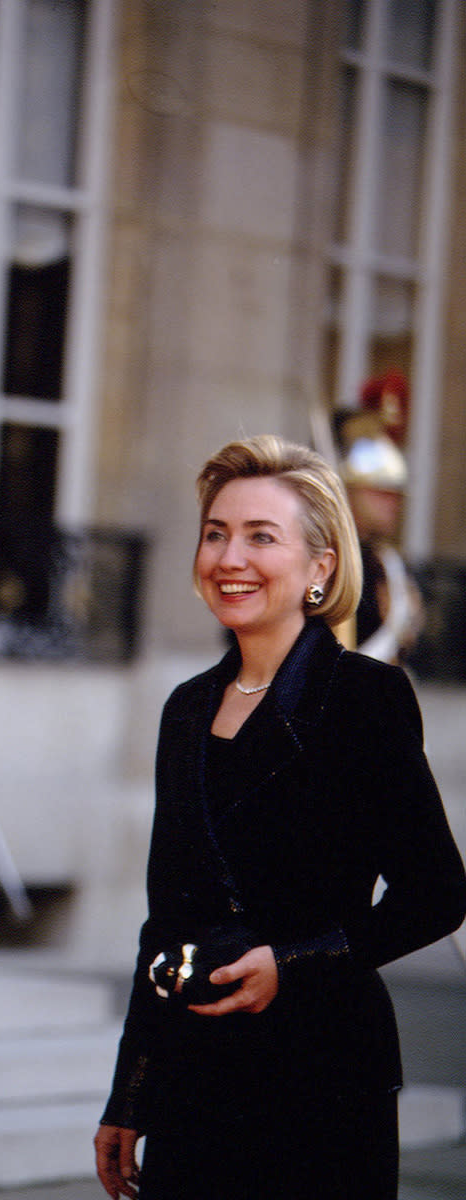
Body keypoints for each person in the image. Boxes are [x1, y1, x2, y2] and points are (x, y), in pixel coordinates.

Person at [94, 434, 466, 1200]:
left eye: (261, 537)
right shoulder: (185, 709)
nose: (230, 558)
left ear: (319, 567)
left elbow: (436, 892)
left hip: (322, 1081)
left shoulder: (365, 697)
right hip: (195, 1081)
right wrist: (130, 1093)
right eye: (215, 534)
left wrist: (290, 967)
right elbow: (165, 922)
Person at [336, 405, 422, 662]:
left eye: (395, 496)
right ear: (352, 491)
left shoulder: (386, 562)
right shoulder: (328, 558)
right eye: (381, 494)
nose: (393, 504)